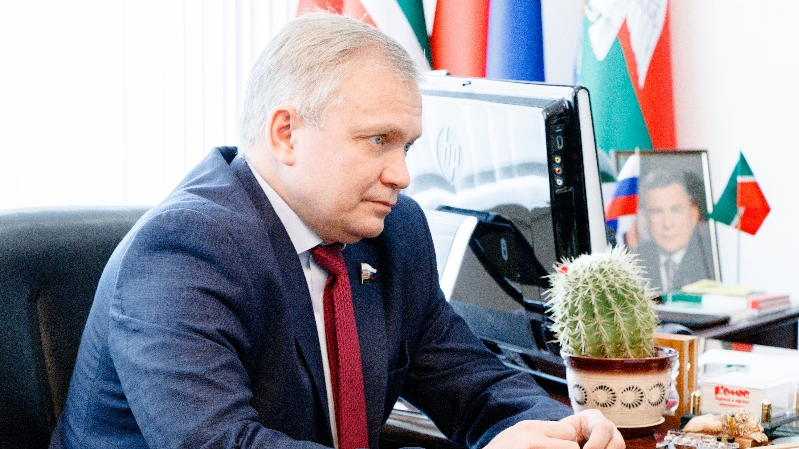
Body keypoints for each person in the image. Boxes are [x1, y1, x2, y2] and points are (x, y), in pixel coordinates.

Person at [50, 13, 624, 449]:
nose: (401, 175)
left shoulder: (395, 232)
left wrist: (559, 428)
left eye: (406, 146)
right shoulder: (183, 252)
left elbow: (471, 382)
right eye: (378, 140)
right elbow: (224, 443)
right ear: (286, 134)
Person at [636, 169, 714, 292]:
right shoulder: (634, 262)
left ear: (694, 214)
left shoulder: (713, 258)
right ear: (645, 219)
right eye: (657, 211)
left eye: (676, 210)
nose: (667, 223)